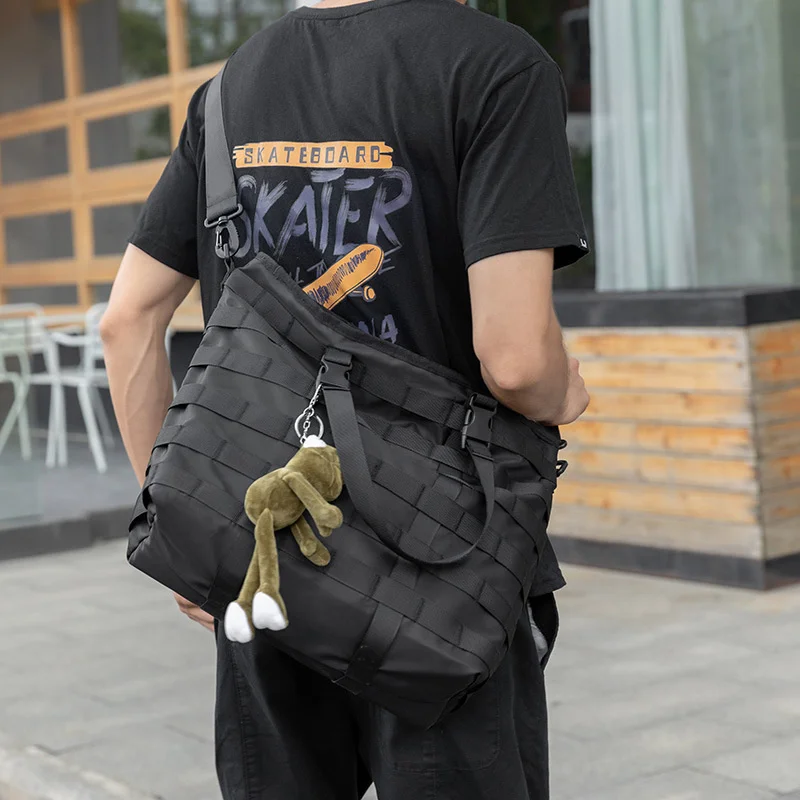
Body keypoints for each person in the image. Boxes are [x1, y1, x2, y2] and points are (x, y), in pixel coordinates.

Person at [101, 0, 590, 797]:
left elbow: (126, 322)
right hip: (440, 569)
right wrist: (565, 388)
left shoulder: (226, 94)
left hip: (264, 552)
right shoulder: (495, 66)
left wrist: (182, 530)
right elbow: (516, 361)